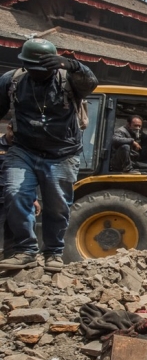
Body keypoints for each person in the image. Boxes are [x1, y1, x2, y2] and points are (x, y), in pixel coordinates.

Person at [0, 38, 98, 273]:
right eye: (32, 68)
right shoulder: (12, 81)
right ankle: (25, 250)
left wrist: (72, 64)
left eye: (43, 70)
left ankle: (53, 252)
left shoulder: (69, 81)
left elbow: (91, 83)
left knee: (57, 205)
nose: (37, 73)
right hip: (24, 149)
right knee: (14, 192)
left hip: (62, 154)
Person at [0, 122, 40, 259]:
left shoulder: (25, 149)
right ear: (9, 128)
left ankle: (9, 261)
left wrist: (33, 198)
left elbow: (27, 178)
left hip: (14, 198)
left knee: (14, 232)